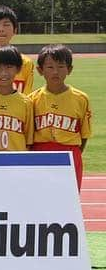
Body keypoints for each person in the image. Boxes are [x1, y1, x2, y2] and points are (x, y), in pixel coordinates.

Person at [30, 44, 92, 187]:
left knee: (68, 199)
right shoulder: (32, 99)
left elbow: (84, 134)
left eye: (61, 66)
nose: (55, 72)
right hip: (40, 152)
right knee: (40, 195)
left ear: (69, 69)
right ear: (40, 70)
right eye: (50, 67)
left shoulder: (81, 98)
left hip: (70, 152)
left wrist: (73, 153)